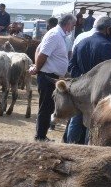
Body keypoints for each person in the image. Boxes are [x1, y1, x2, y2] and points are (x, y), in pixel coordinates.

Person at [64, 16, 111, 143]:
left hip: (81, 88)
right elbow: (109, 72)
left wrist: (82, 79)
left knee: (76, 118)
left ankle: (71, 144)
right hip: (98, 91)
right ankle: (89, 146)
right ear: (108, 29)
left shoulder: (82, 42)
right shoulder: (106, 46)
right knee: (93, 120)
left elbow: (71, 65)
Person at [30, 12, 76, 142]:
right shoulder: (55, 35)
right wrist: (37, 69)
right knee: (46, 107)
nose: (73, 28)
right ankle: (40, 136)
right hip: (48, 76)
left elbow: (38, 49)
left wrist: (36, 68)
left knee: (48, 106)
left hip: (51, 75)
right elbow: (42, 54)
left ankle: (42, 135)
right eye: (72, 25)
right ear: (67, 24)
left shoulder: (58, 35)